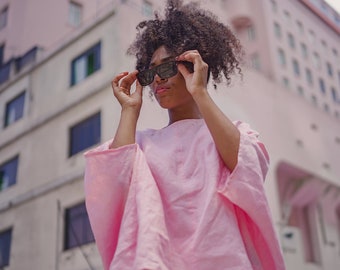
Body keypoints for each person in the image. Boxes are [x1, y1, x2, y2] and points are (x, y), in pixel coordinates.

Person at [84, 0, 285, 269]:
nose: (157, 79)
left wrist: (199, 93)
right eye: (151, 72)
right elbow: (111, 188)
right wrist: (129, 111)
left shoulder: (233, 133)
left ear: (195, 65)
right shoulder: (140, 144)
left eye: (167, 68)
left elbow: (247, 167)